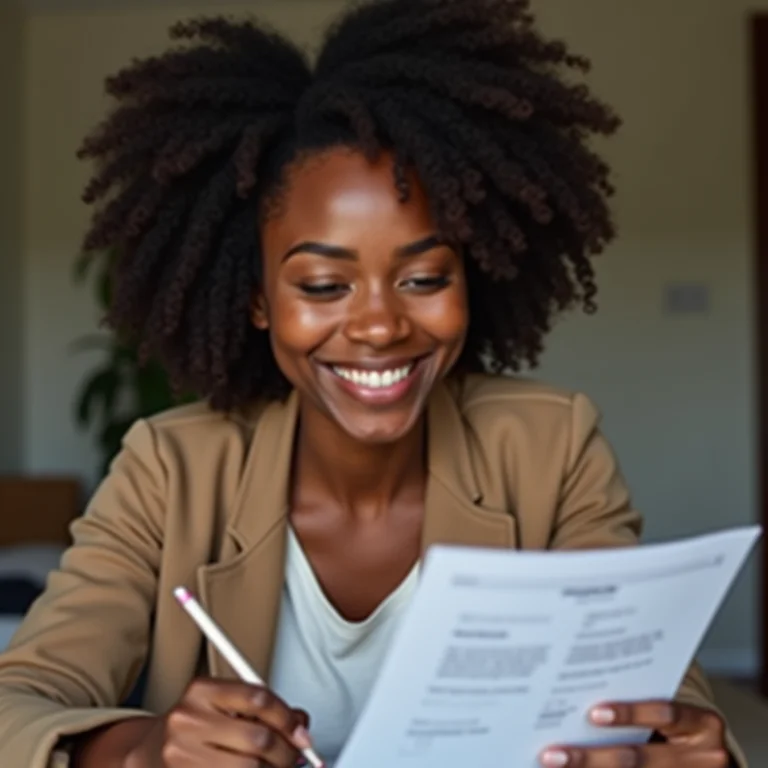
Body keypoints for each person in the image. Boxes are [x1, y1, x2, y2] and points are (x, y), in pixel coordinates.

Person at [0, 1, 745, 766]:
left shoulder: (550, 449)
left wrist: (675, 745)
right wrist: (141, 749)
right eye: (324, 285)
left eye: (424, 277)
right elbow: (15, 701)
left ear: (471, 278)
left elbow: (650, 682)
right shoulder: (170, 469)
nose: (381, 326)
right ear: (258, 300)